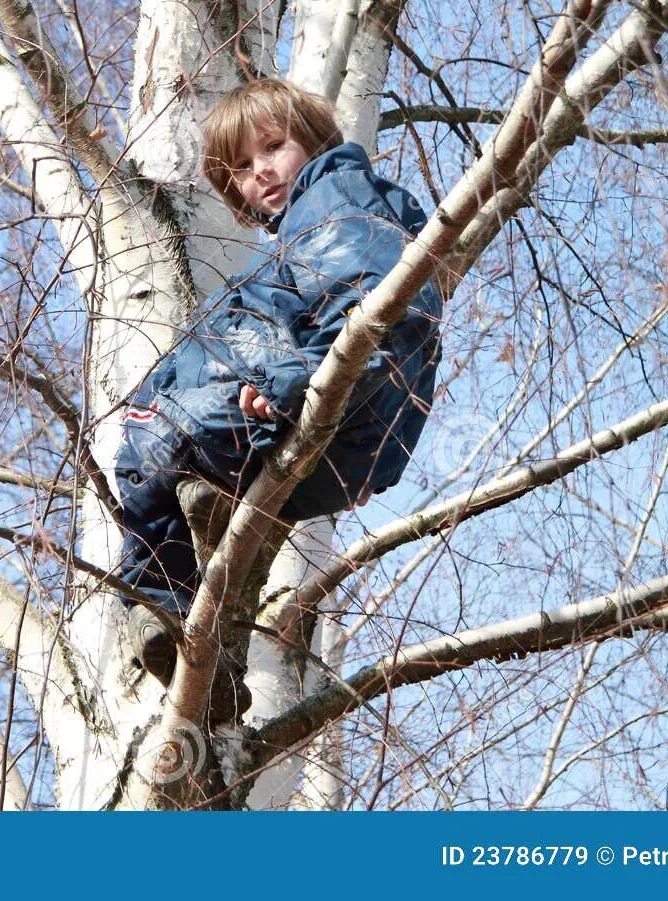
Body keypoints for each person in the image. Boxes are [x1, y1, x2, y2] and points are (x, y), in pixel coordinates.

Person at [113, 79, 444, 698]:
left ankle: (161, 606)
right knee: (157, 453)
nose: (260, 172)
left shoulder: (335, 197)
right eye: (241, 167)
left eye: (272, 147)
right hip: (331, 438)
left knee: (148, 441)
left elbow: (370, 306)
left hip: (317, 402)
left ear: (314, 141)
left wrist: (293, 385)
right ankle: (199, 649)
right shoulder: (309, 227)